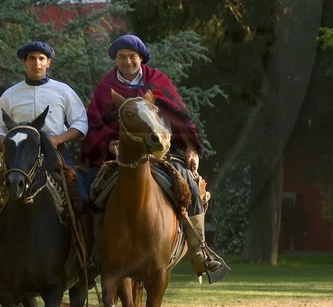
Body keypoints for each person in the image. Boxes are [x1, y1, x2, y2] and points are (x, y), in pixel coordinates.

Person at [85, 33, 228, 283]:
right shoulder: (105, 88)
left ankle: (199, 251)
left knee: (189, 185)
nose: (127, 61)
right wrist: (109, 145)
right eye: (121, 57)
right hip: (122, 157)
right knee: (93, 192)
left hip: (161, 154)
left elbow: (180, 117)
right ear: (115, 60)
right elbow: (95, 125)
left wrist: (191, 149)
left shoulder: (158, 82)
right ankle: (95, 254)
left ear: (141, 58)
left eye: (132, 56)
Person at [0, 40, 89, 279]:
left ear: (48, 63)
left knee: (83, 196)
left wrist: (56, 140)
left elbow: (80, 123)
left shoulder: (63, 91)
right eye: (32, 59)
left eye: (41, 59)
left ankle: (85, 257)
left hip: (54, 156)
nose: (37, 63)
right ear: (24, 62)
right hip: (18, 161)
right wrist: (11, 148)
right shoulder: (11, 94)